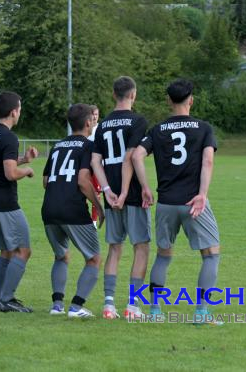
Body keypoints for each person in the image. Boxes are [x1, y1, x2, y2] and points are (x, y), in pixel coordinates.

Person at [132, 79, 222, 325]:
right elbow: (208, 162)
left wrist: (146, 188)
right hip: (194, 202)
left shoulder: (158, 129)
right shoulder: (203, 128)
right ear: (191, 99)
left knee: (163, 255)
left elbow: (137, 155)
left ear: (169, 100)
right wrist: (202, 193)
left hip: (166, 203)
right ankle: (202, 313)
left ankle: (155, 311)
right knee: (211, 255)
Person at [91, 76, 150, 319]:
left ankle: (108, 305)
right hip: (131, 193)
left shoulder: (102, 125)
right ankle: (133, 307)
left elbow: (96, 161)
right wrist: (125, 192)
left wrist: (107, 191)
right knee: (141, 247)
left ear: (113, 95)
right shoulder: (138, 121)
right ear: (133, 95)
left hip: (110, 193)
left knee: (115, 248)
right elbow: (129, 158)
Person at [42, 104, 104, 318]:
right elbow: (83, 180)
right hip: (72, 208)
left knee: (61, 256)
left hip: (49, 208)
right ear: (89, 122)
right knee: (94, 258)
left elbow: (45, 181)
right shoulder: (89, 146)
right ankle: (76, 307)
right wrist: (99, 207)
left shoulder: (57, 146)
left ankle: (57, 305)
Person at [0, 91, 38, 313]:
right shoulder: (9, 137)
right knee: (23, 250)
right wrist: (26, 169)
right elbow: (9, 173)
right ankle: (6, 299)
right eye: (20, 108)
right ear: (13, 111)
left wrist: (22, 158)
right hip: (4, 203)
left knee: (7, 251)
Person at [87, 105, 102, 228]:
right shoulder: (85, 129)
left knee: (96, 193)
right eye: (92, 114)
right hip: (85, 166)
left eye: (96, 114)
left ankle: (94, 221)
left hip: (97, 167)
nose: (94, 117)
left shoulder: (100, 129)